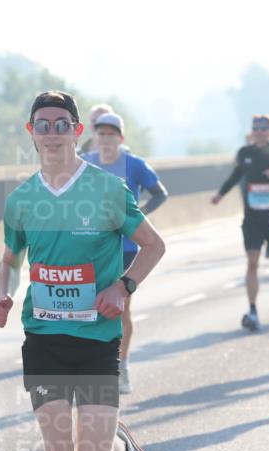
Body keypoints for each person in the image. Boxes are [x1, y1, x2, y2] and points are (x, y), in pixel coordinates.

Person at [0, 90, 165, 451]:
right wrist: (3, 296)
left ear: (74, 131)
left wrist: (123, 286)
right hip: (43, 337)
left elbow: (154, 246)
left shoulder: (108, 191)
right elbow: (9, 260)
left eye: (60, 124)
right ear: (31, 133)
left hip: (94, 340)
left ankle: (119, 444)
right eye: (41, 125)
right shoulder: (21, 199)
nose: (51, 132)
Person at [82, 112, 169, 393]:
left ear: (121, 138)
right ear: (95, 137)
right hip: (94, 244)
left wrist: (139, 215)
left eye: (111, 135)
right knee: (89, 308)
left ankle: (122, 365)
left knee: (120, 308)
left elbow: (160, 193)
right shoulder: (85, 164)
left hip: (128, 247)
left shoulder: (134, 165)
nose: (106, 140)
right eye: (101, 134)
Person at [212, 114, 269, 331]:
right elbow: (236, 175)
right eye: (256, 127)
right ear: (252, 130)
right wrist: (220, 194)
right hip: (252, 218)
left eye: (263, 127)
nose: (259, 131)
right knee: (252, 261)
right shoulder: (245, 153)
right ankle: (253, 309)